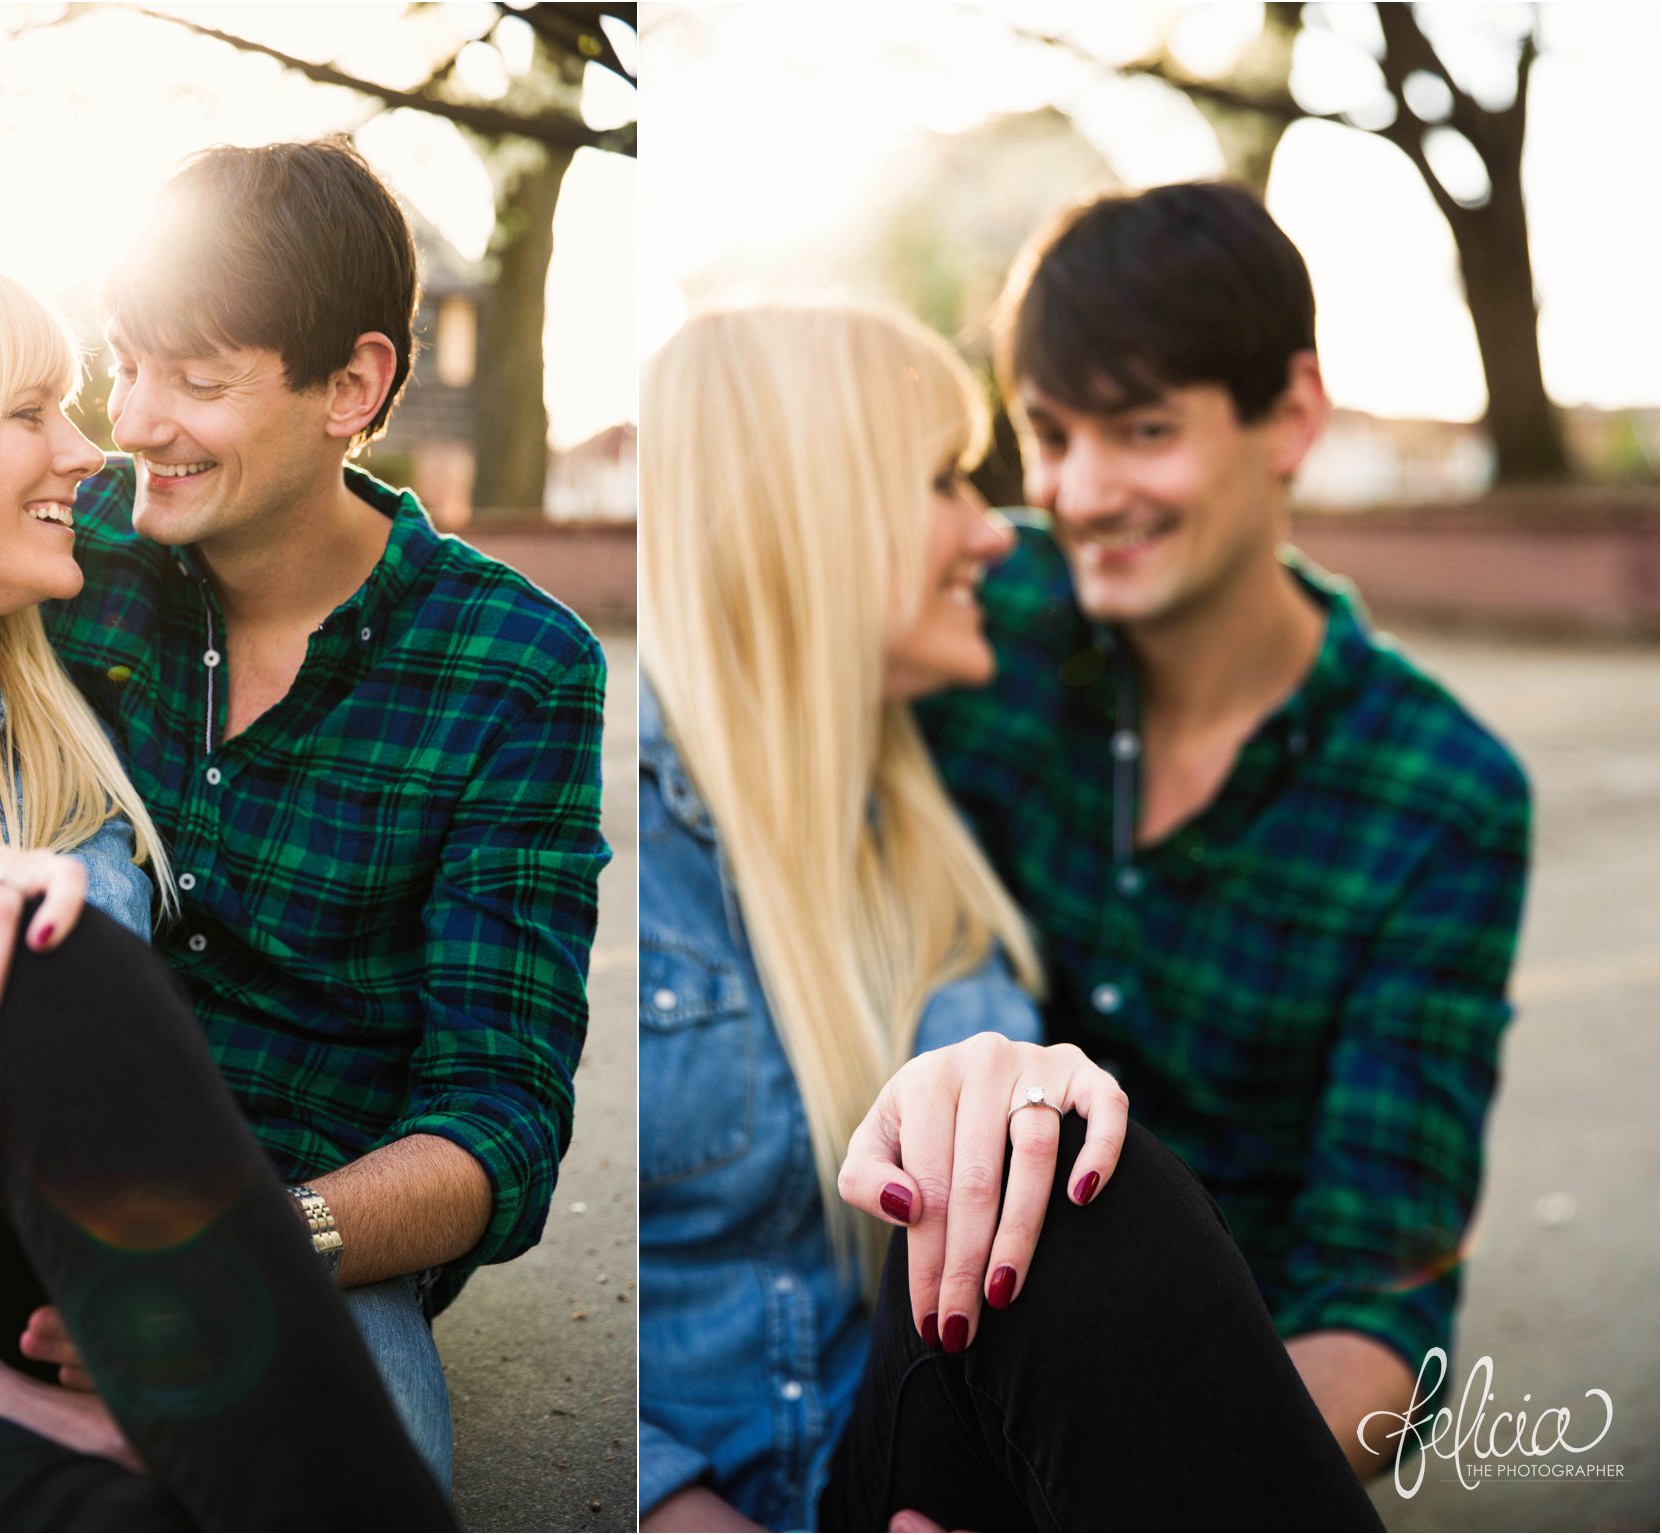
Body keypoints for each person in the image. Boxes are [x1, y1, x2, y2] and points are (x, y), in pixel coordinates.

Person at [0, 139, 611, 1490]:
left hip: (293, 1205)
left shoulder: (507, 664)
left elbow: (500, 1110)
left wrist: (234, 1249)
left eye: (193, 382)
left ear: (358, 387)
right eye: (114, 367)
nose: (120, 429)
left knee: (354, 1457)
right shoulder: (55, 586)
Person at [637, 302, 1381, 1532]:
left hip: (895, 1474)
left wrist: (1006, 1079)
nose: (995, 530)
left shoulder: (921, 839)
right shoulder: (613, 822)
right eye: (943, 480)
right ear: (809, 515)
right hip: (710, 1507)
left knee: (1060, 1175)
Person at [916, 181, 1532, 1482]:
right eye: (1050, 432)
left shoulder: (1441, 794)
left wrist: (1151, 1481)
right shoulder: (979, 616)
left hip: (1219, 1406)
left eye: (1143, 429)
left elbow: (1380, 1299)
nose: (1081, 493)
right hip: (910, 1342)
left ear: (1290, 416)